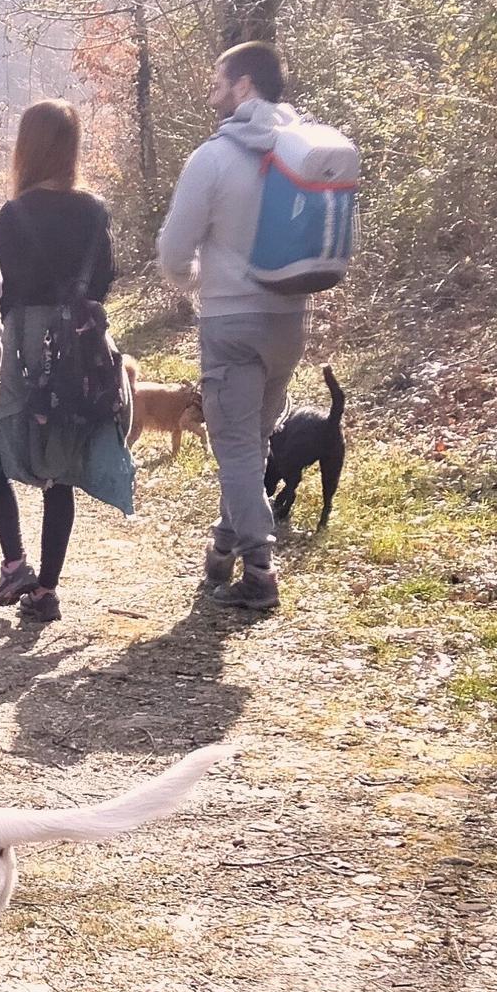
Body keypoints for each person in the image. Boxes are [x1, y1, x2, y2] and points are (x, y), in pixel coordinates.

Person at [156, 40, 313, 615]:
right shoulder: (304, 148)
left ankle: (261, 570)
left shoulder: (214, 157)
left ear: (244, 86)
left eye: (219, 80)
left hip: (232, 321)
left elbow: (174, 249)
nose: (212, 91)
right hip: (290, 318)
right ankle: (223, 547)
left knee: (237, 447)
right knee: (252, 443)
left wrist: (194, 280)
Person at [0, 100, 133, 626]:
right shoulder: (96, 211)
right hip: (79, 346)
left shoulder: (15, 215)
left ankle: (14, 562)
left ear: (27, 147)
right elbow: (106, 278)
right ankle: (46, 591)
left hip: (19, 340)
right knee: (60, 464)